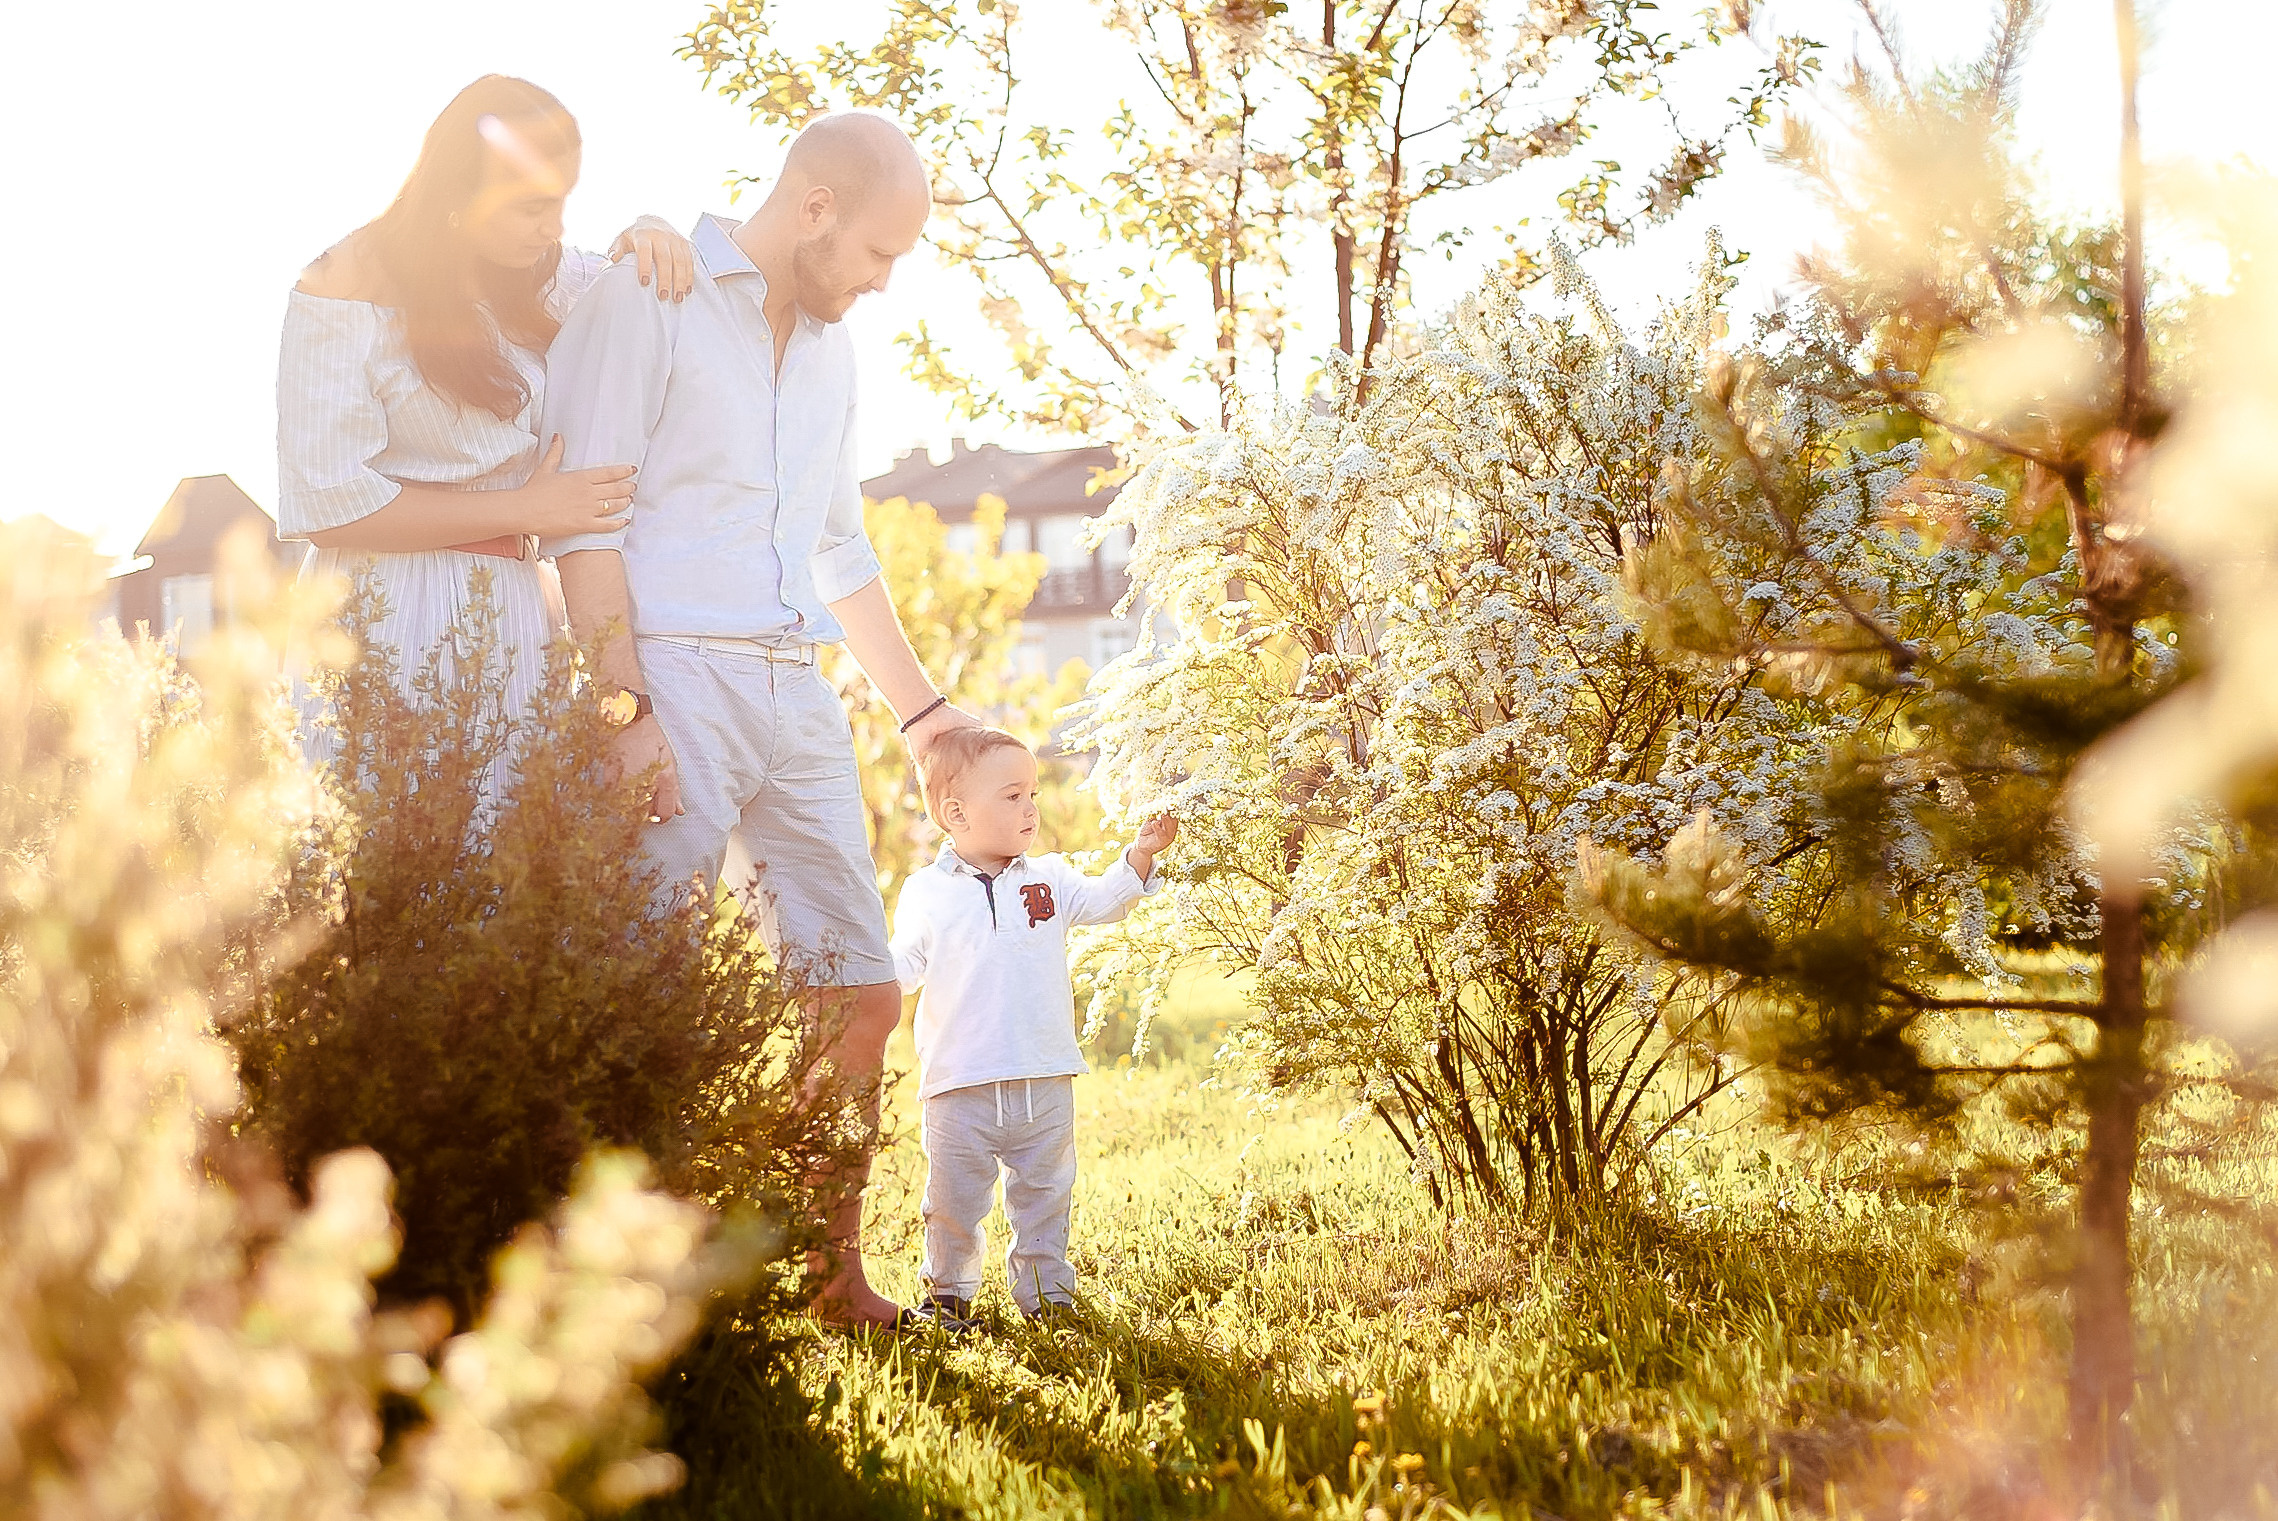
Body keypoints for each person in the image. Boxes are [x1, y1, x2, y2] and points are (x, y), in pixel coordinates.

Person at [538, 111, 975, 1328]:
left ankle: (819, 1273)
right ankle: (631, 1300)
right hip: (670, 674)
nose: (887, 283)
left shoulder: (830, 349)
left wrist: (923, 715)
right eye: (882, 253)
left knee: (857, 990)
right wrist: (620, 706)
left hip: (796, 685)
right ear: (817, 207)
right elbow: (584, 522)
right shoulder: (650, 297)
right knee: (647, 985)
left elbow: (838, 543)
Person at [277, 74, 694, 770]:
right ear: (458, 196)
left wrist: (653, 227)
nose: (553, 226)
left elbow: (633, 280)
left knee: (511, 860)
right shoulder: (342, 283)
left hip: (516, 618)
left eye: (562, 202)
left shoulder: (549, 276)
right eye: (532, 205)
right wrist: (524, 506)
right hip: (380, 618)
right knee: (392, 850)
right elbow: (327, 504)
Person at [890, 728, 1176, 1328]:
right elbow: (905, 968)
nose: (1030, 807)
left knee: (1046, 1195)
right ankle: (947, 1295)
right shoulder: (926, 891)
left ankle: (1047, 1296)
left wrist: (1141, 854)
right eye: (1013, 795)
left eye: (1033, 793)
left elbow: (1103, 901)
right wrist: (861, 971)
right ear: (956, 812)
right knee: (952, 1203)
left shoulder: (1047, 877)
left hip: (1045, 1075)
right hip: (959, 1083)